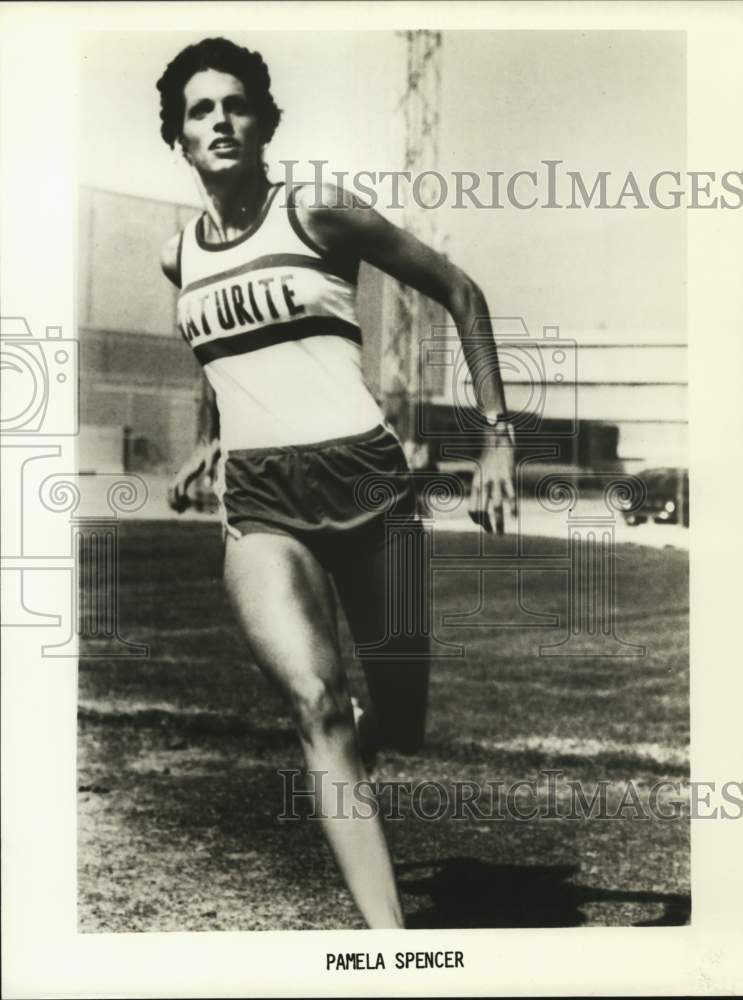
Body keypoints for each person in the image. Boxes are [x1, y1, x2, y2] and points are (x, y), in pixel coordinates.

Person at [156, 36, 515, 929]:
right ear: (181, 139)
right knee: (316, 706)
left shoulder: (315, 213)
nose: (221, 121)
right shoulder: (178, 260)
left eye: (235, 104)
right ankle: (390, 953)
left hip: (368, 486)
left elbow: (460, 290)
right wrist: (213, 440)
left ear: (262, 120)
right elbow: (225, 359)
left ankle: (369, 723)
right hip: (262, 504)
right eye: (200, 111)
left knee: (398, 719)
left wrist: (497, 437)